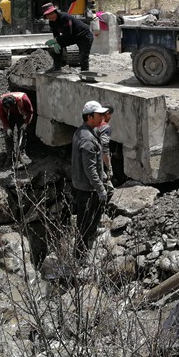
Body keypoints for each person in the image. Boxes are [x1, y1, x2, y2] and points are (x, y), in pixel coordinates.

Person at [70, 100, 109, 261]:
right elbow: (90, 169)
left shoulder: (84, 132)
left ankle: (92, 233)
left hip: (84, 184)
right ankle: (80, 256)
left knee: (93, 211)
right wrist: (100, 188)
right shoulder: (87, 139)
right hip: (86, 187)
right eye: (99, 115)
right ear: (89, 117)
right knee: (83, 222)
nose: (102, 118)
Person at [42, 2, 93, 72]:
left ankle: (85, 72)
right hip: (72, 36)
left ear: (55, 12)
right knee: (57, 46)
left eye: (52, 14)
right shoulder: (52, 22)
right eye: (48, 16)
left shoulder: (65, 17)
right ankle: (57, 67)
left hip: (84, 35)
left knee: (83, 56)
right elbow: (56, 35)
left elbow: (68, 33)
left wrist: (56, 40)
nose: (51, 17)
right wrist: (56, 42)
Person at [0, 92, 34, 159]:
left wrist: (26, 123)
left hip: (21, 114)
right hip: (10, 116)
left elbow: (30, 111)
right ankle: (10, 156)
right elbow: (2, 116)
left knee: (22, 133)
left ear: (15, 102)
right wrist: (7, 128)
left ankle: (20, 153)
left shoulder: (24, 99)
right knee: (8, 135)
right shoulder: (2, 102)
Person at [94, 105, 115, 185]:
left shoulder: (91, 123)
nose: (110, 118)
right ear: (107, 113)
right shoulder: (105, 127)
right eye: (110, 115)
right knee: (106, 187)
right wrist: (109, 168)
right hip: (95, 161)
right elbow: (104, 149)